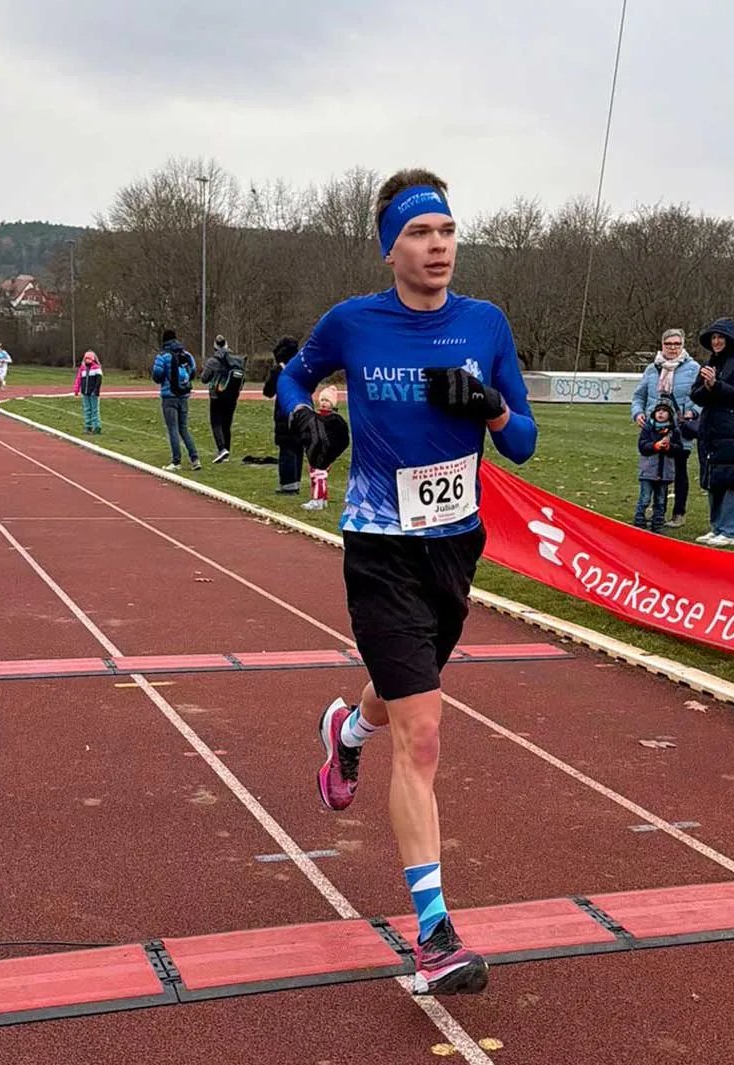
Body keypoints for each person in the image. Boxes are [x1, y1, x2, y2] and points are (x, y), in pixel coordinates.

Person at [277, 167, 538, 996]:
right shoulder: (353, 323)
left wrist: (490, 407)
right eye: (422, 234)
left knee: (405, 694)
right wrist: (304, 418)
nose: (439, 247)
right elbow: (288, 375)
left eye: (448, 232)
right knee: (423, 736)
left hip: (454, 547)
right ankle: (432, 932)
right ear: (392, 246)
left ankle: (346, 733)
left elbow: (524, 441)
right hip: (378, 547)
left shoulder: (485, 323)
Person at [689, 317, 734, 547]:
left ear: (730, 340)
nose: (716, 342)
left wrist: (716, 385)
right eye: (714, 338)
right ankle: (716, 526)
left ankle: (731, 530)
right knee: (714, 478)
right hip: (712, 430)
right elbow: (695, 394)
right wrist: (708, 387)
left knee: (732, 480)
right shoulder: (710, 363)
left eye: (720, 338)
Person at [629, 328, 700, 527]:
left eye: (677, 344)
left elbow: (701, 397)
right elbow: (639, 396)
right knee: (651, 470)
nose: (672, 348)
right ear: (662, 345)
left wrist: (692, 412)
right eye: (669, 344)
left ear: (683, 345)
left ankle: (678, 513)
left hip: (678, 429)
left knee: (678, 470)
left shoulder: (693, 368)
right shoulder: (652, 369)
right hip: (654, 428)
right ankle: (648, 511)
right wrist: (637, 413)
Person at [151, 328, 200, 470]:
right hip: (183, 395)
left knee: (172, 428)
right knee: (184, 428)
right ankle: (195, 458)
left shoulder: (163, 356)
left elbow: (157, 375)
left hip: (169, 396)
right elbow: (193, 371)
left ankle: (176, 461)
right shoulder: (185, 354)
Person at [261, 336, 303, 493]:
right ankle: (296, 482)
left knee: (287, 446)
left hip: (284, 409)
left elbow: (268, 392)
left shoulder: (279, 371)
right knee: (298, 445)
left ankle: (287, 484)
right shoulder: (302, 367)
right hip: (302, 407)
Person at [634, 398, 680, 531]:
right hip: (648, 471)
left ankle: (658, 523)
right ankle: (639, 521)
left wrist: (669, 447)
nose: (660, 413)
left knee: (660, 500)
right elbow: (642, 446)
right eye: (658, 411)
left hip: (664, 472)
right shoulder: (648, 429)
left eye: (664, 411)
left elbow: (678, 449)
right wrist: (655, 446)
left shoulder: (673, 431)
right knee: (644, 498)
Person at [202, 334, 246, 462]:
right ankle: (227, 450)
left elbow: (204, 378)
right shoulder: (236, 361)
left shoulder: (212, 361)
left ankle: (222, 449)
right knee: (227, 424)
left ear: (215, 346)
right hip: (232, 396)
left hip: (216, 396)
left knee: (216, 423)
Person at [303, 385, 339, 512]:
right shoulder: (317, 416)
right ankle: (321, 498)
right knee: (315, 474)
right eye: (323, 400)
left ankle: (317, 499)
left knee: (319, 475)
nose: (324, 403)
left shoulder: (333, 419)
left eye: (327, 401)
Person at [74, 350, 103, 434]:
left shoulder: (96, 368)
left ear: (93, 359)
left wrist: (95, 391)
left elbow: (98, 381)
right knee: (87, 410)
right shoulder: (82, 369)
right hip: (85, 392)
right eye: (86, 359)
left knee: (95, 410)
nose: (87, 360)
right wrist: (76, 389)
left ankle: (97, 427)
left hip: (93, 393)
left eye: (89, 359)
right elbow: (78, 379)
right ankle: (88, 427)